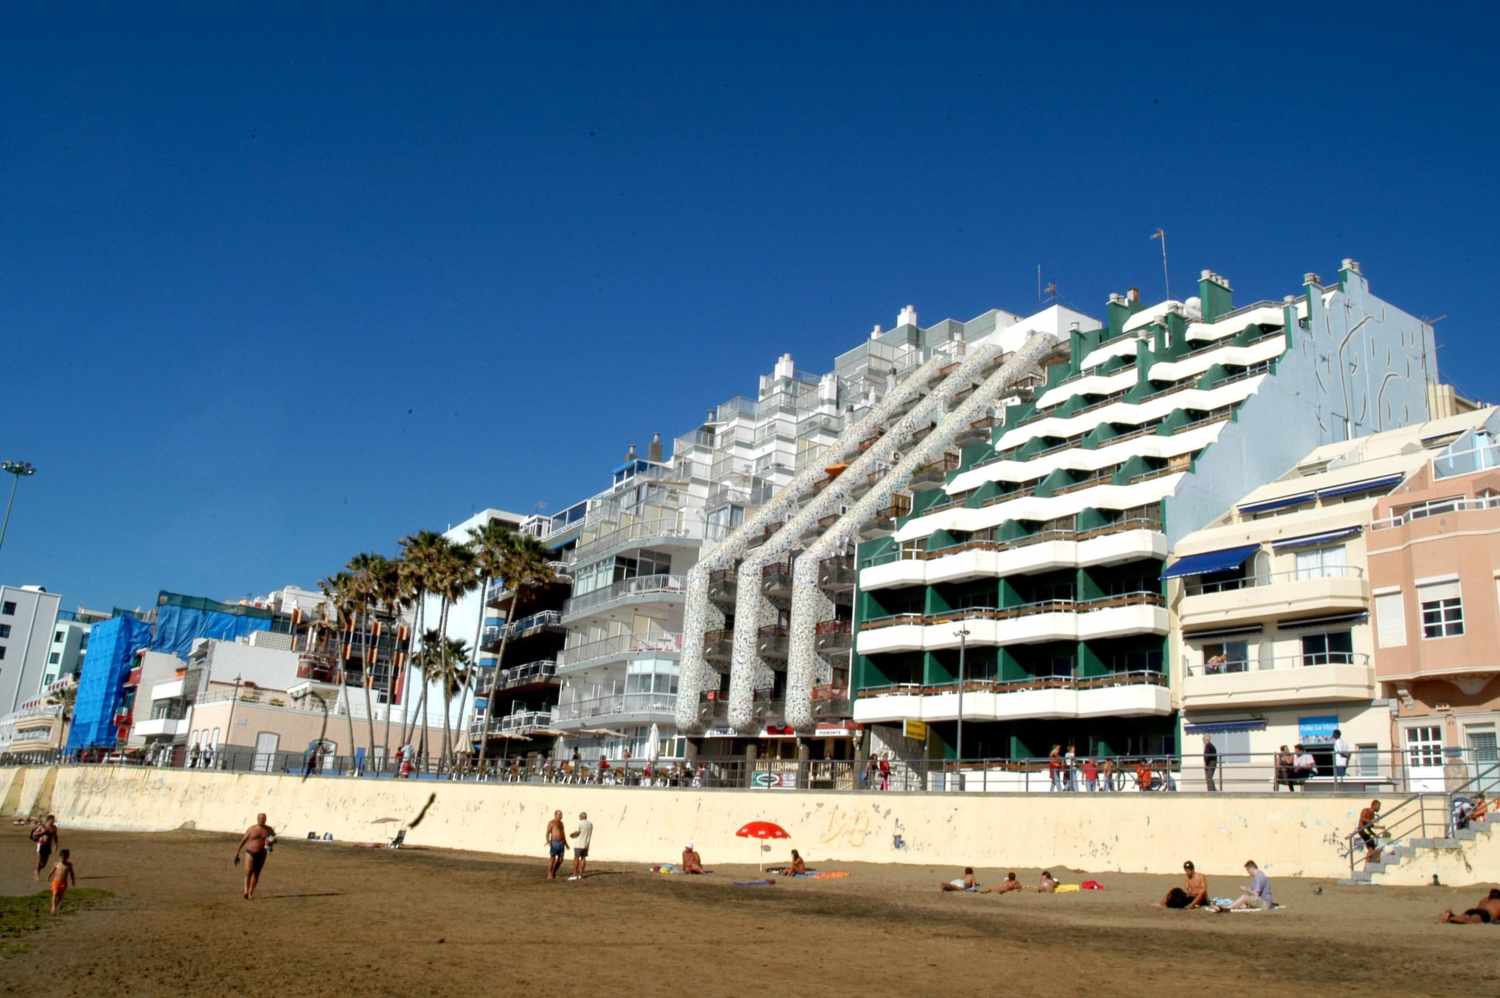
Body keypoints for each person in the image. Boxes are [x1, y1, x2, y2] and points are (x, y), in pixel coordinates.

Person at [234, 813, 276, 900]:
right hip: (250, 852)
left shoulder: (269, 829)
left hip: (262, 853)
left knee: (256, 874)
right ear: (257, 819)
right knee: (248, 872)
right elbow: (243, 840)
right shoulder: (252, 829)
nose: (262, 820)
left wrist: (271, 841)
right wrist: (237, 853)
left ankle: (250, 893)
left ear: (266, 819)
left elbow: (273, 840)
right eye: (260, 818)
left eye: (264, 818)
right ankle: (245, 890)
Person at [30, 814, 59, 882]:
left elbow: (55, 836)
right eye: (53, 819)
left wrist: (56, 844)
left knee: (44, 864)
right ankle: (37, 873)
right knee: (39, 860)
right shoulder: (42, 827)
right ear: (49, 820)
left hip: (48, 846)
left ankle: (37, 870)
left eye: (54, 820)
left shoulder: (54, 828)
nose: (54, 821)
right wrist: (42, 833)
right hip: (41, 844)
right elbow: (34, 834)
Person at [48, 848, 76, 916]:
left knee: (60, 896)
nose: (63, 859)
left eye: (65, 857)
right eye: (62, 857)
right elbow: (53, 870)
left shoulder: (69, 865)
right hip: (56, 881)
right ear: (59, 857)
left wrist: (73, 881)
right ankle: (53, 907)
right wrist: (49, 875)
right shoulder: (57, 863)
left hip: (64, 882)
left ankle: (56, 906)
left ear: (67, 857)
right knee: (55, 894)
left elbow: (72, 873)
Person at [1355, 800, 1384, 866]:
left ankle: (1368, 863)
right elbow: (1362, 819)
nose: (1379, 808)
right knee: (1372, 846)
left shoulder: (1373, 814)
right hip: (1362, 830)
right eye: (1378, 806)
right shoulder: (1366, 810)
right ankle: (1369, 862)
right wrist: (1370, 821)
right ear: (1374, 805)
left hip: (1366, 831)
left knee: (1371, 847)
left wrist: (1376, 832)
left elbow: (1369, 827)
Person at [568, 811, 593, 880]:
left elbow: (577, 832)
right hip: (586, 844)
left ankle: (574, 874)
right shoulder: (590, 824)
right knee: (583, 858)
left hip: (579, 844)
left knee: (576, 858)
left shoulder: (579, 823)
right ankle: (581, 874)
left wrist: (571, 835)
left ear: (581, 817)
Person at [545, 809, 568, 880]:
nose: (561, 816)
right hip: (554, 842)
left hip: (561, 843)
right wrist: (548, 841)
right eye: (559, 814)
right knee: (552, 858)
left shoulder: (561, 823)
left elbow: (563, 833)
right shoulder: (551, 822)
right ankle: (549, 874)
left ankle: (553, 872)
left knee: (561, 859)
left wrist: (566, 843)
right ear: (555, 815)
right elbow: (547, 833)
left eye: (561, 814)